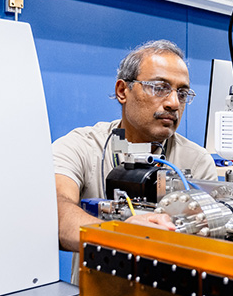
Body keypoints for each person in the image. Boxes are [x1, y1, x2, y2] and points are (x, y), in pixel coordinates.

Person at [53, 40, 217, 252]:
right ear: (123, 91)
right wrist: (120, 233)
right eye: (160, 88)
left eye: (182, 93)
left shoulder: (197, 162)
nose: (174, 103)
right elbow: (55, 208)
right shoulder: (82, 146)